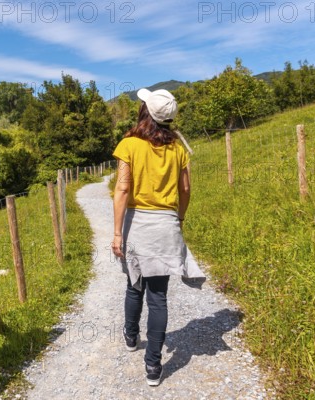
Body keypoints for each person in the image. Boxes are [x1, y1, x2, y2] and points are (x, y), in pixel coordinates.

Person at [111, 88, 191, 387]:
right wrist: (178, 219)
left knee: (134, 286)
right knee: (159, 297)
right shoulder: (178, 149)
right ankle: (154, 367)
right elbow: (185, 190)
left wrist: (117, 232)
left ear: (145, 112)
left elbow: (121, 189)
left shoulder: (129, 145)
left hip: (137, 224)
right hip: (166, 225)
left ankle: (131, 336)